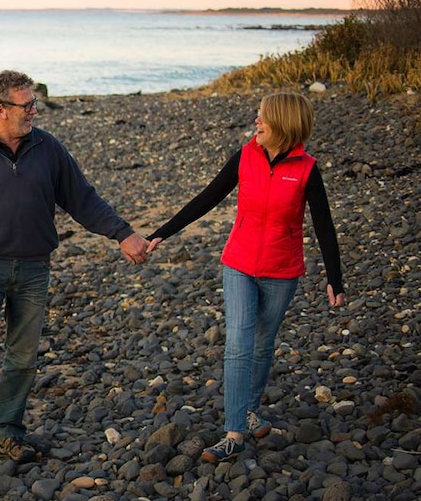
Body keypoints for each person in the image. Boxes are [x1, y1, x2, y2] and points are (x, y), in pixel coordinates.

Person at [0, 70, 150, 482]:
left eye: (34, 103)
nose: (34, 110)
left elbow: (82, 198)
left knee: (23, 358)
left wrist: (122, 233)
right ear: (0, 109)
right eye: (26, 104)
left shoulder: (47, 148)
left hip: (34, 268)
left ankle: (9, 432)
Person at [147, 91, 346, 463]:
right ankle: (235, 432)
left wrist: (335, 278)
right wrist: (163, 232)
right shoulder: (245, 156)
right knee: (238, 342)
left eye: (262, 118)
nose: (256, 122)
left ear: (283, 125)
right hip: (238, 263)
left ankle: (251, 409)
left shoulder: (306, 169)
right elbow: (208, 197)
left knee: (262, 342)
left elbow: (324, 224)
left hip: (282, 270)